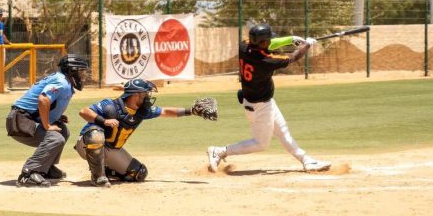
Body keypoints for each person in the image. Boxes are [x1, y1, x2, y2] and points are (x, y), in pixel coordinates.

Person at [207, 23, 331, 173]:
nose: (270, 41)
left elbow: (267, 43)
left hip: (260, 102)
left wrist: (290, 39)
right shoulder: (265, 60)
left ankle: (306, 160)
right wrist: (307, 46)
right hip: (259, 106)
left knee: (283, 131)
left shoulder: (244, 46)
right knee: (260, 144)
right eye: (268, 39)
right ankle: (220, 151)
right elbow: (294, 57)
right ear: (262, 42)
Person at [74, 78, 207, 187]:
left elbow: (165, 111)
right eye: (145, 94)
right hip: (87, 145)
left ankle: (105, 169)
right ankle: (98, 177)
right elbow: (83, 112)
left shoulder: (142, 111)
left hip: (112, 149)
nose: (148, 98)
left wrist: (191, 111)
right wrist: (104, 121)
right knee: (96, 136)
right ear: (135, 95)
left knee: (138, 173)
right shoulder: (110, 105)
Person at [6, 54, 89, 187]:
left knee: (63, 131)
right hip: (20, 121)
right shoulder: (61, 82)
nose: (83, 75)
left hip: (26, 118)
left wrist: (54, 117)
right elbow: (43, 99)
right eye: (81, 71)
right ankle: (29, 173)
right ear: (71, 70)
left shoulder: (62, 79)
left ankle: (46, 167)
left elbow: (45, 103)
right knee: (56, 138)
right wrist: (47, 125)